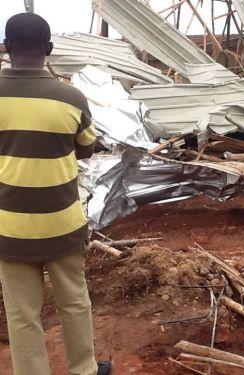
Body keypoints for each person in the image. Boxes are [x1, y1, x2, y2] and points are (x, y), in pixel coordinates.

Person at [0, 13, 111, 375]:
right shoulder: (71, 98)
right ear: (49, 49)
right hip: (62, 223)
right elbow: (87, 148)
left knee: (22, 314)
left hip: (10, 228)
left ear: (5, 47)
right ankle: (84, 370)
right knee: (75, 302)